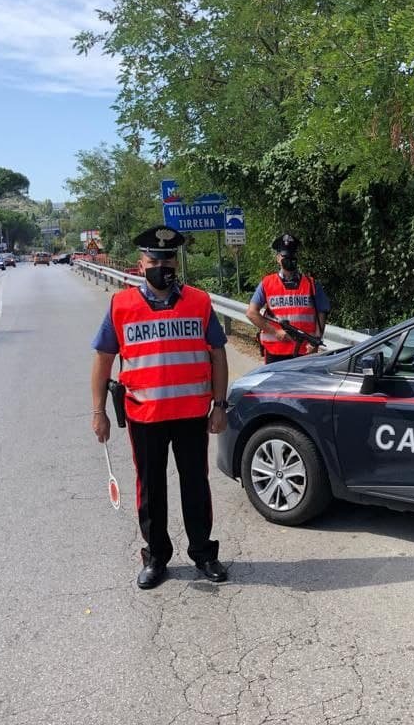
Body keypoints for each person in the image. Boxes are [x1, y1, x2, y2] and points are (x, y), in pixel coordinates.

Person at [90, 225, 229, 589]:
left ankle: (203, 553)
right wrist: (98, 411)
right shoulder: (121, 306)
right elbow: (104, 360)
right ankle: (156, 557)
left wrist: (220, 405)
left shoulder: (199, 302)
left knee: (195, 485)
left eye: (168, 259)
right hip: (144, 416)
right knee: (151, 489)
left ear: (176, 262)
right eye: (154, 259)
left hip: (191, 415)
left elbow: (218, 354)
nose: (162, 266)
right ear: (140, 264)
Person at [246, 233, 330, 364]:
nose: (289, 259)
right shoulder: (267, 283)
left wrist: (316, 340)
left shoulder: (311, 284)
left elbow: (322, 312)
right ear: (278, 258)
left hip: (305, 351)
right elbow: (251, 313)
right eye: (285, 256)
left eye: (292, 255)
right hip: (274, 352)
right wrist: (275, 332)